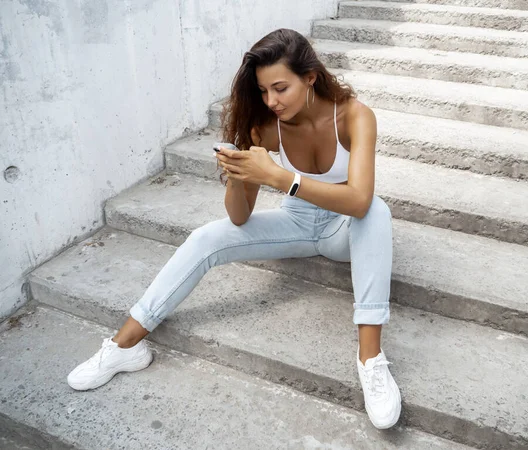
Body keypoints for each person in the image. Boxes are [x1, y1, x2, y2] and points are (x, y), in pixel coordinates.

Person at [67, 28, 401, 429]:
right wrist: (238, 173)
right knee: (206, 237)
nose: (271, 101)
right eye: (263, 91)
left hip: (342, 229)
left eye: (280, 88)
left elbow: (359, 200)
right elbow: (240, 218)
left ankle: (371, 361)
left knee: (377, 213)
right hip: (296, 221)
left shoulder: (354, 115)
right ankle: (124, 345)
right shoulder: (266, 125)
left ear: (310, 76)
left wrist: (280, 178)